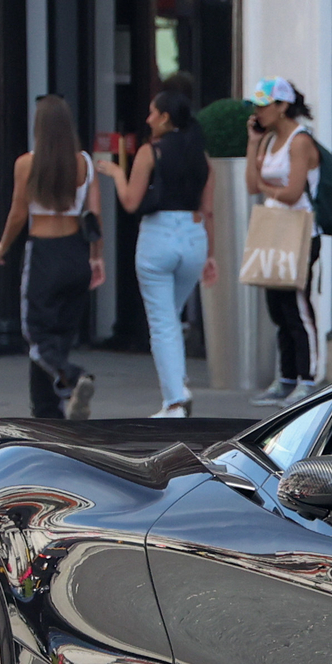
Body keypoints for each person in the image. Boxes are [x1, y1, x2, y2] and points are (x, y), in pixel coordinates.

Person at [0, 95, 105, 420]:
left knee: (37, 336)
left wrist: (2, 247)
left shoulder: (27, 163)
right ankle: (47, 410)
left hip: (43, 254)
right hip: (76, 254)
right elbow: (94, 216)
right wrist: (97, 259)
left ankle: (73, 375)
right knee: (60, 337)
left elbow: (18, 214)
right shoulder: (83, 162)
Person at [109, 89, 218, 418]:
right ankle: (178, 382)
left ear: (165, 117)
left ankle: (174, 400)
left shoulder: (149, 152)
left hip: (158, 235)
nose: (148, 119)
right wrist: (210, 254)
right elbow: (208, 210)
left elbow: (130, 201)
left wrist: (116, 173)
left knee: (162, 321)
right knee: (169, 316)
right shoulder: (202, 156)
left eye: (152, 113)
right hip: (193, 236)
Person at [244, 76, 324, 405]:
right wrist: (252, 143)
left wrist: (267, 189)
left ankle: (309, 377)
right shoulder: (268, 140)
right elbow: (251, 183)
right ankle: (287, 377)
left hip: (300, 232)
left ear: (282, 106)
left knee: (298, 308)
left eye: (264, 106)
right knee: (278, 309)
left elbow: (292, 193)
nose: (259, 112)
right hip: (276, 230)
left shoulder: (300, 141)